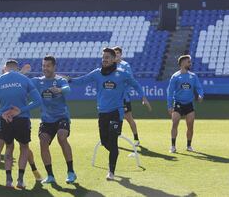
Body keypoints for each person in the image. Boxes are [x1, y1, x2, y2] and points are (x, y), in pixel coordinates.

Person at [67, 48, 151, 180]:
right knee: (105, 142)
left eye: (107, 57)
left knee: (113, 140)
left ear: (114, 59)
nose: (104, 59)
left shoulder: (122, 74)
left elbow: (135, 84)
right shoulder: (97, 73)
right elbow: (82, 80)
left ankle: (111, 171)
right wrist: (69, 80)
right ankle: (115, 152)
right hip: (102, 113)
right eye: (103, 57)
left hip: (117, 112)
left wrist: (143, 97)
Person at [0, 60, 42, 189]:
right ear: (17, 68)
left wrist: (2, 114)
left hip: (6, 120)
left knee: (9, 148)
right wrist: (21, 110)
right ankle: (20, 180)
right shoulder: (25, 79)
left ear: (5, 68)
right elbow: (38, 101)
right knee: (24, 148)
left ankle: (8, 180)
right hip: (22, 119)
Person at [31, 55, 76, 184]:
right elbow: (24, 82)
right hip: (46, 119)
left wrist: (60, 90)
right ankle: (50, 176)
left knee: (62, 137)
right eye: (43, 66)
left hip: (62, 116)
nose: (45, 68)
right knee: (43, 142)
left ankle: (71, 172)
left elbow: (68, 89)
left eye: (48, 66)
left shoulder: (60, 80)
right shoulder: (37, 81)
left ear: (54, 67)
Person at [167, 55, 204, 153]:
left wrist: (201, 95)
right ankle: (173, 146)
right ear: (182, 63)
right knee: (174, 124)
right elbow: (170, 92)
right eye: (188, 62)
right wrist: (170, 106)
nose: (190, 63)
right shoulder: (175, 76)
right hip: (178, 104)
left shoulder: (193, 76)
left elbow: (199, 87)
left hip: (189, 105)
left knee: (190, 126)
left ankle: (189, 146)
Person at [113, 46, 142, 146]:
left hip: (124, 98)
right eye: (114, 53)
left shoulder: (125, 65)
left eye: (117, 53)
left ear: (121, 54)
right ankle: (114, 139)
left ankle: (136, 139)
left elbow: (130, 81)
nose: (116, 55)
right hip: (113, 99)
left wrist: (123, 93)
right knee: (114, 118)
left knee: (128, 118)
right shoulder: (110, 66)